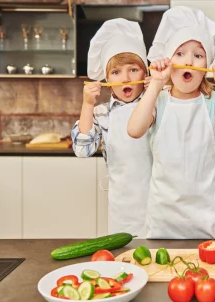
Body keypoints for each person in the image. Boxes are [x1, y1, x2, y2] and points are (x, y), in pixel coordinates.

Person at [127, 6, 215, 239]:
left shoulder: (214, 102)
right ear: (168, 61)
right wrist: (155, 84)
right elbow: (134, 130)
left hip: (205, 221)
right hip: (162, 220)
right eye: (180, 53)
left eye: (198, 55)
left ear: (206, 66)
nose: (189, 60)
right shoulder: (158, 100)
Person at [71, 18, 152, 238]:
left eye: (133, 70)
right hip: (123, 207)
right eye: (116, 72)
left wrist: (157, 91)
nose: (125, 78)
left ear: (145, 74)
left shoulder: (157, 106)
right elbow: (82, 149)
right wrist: (88, 104)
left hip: (160, 204)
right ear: (106, 79)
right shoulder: (102, 114)